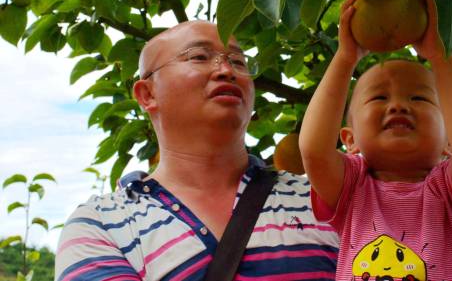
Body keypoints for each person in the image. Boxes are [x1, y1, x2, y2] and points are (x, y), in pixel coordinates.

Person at [55, 21, 339, 281]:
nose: (227, 70)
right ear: (147, 94)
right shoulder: (102, 224)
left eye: (238, 61)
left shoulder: (323, 201)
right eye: (199, 57)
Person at [299, 0, 452, 281]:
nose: (398, 106)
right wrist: (345, 59)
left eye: (419, 98)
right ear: (349, 140)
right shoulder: (353, 190)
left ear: (450, 141)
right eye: (379, 98)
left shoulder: (451, 192)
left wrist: (440, 56)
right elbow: (313, 151)